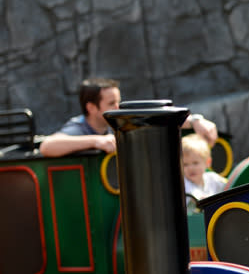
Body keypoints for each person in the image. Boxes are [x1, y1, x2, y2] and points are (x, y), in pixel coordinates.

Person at [39, 77, 219, 157]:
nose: (117, 108)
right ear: (92, 107)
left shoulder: (119, 119)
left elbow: (152, 122)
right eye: (111, 104)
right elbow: (48, 146)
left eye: (118, 101)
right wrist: (96, 141)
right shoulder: (78, 127)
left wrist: (196, 121)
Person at [182, 133, 227, 201]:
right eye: (185, 164)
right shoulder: (184, 185)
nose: (190, 168)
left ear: (207, 162)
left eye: (195, 163)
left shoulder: (213, 178)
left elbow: (229, 185)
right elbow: (197, 199)